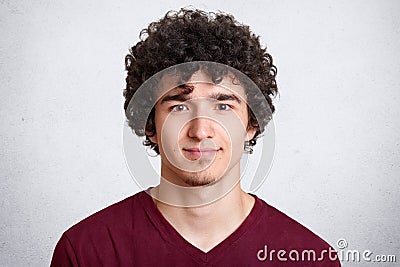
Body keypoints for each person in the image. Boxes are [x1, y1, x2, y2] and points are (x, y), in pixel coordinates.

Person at [51, 8, 341, 266]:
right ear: (150, 124)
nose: (201, 130)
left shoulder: (310, 257)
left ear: (251, 123)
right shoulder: (85, 253)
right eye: (179, 106)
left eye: (223, 106)